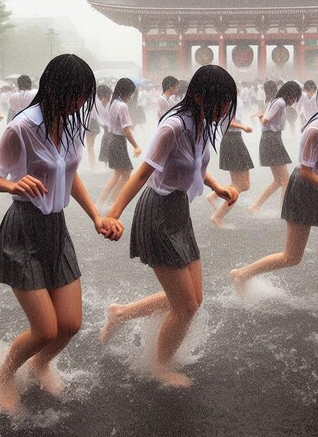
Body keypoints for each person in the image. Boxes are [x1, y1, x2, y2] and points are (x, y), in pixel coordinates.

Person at [0, 55, 120, 414]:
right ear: (54, 89)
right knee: (44, 329)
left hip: (56, 228)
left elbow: (70, 176)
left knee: (70, 325)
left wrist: (96, 216)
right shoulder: (23, 126)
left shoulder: (72, 124)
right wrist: (13, 183)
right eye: (74, 95)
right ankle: (4, 374)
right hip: (23, 228)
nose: (78, 104)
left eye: (83, 97)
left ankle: (40, 364)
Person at [100, 65, 239, 388]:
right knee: (186, 306)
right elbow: (142, 172)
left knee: (193, 298)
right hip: (159, 213)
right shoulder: (173, 127)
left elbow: (194, 166)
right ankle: (159, 366)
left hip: (179, 213)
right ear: (200, 97)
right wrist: (114, 214)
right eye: (220, 103)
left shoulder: (201, 124)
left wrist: (218, 188)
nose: (223, 110)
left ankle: (120, 313)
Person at [231, 74, 318, 308]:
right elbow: (305, 172)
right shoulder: (317, 127)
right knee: (292, 257)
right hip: (303, 188)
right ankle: (241, 274)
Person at [248, 81, 302, 214]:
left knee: (278, 180)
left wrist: (262, 116)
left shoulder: (277, 102)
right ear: (291, 94)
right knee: (285, 179)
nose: (294, 102)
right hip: (272, 139)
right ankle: (283, 211)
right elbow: (266, 121)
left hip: (270, 139)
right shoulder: (280, 103)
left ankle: (256, 206)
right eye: (295, 98)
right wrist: (260, 116)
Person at [206, 86, 254, 228]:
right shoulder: (229, 102)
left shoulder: (231, 101)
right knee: (241, 184)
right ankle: (217, 216)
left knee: (242, 184)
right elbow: (229, 122)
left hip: (233, 140)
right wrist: (243, 127)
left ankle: (215, 195)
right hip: (233, 140)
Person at [97, 78, 141, 207]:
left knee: (119, 174)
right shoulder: (122, 106)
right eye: (131, 93)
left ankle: (103, 203)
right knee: (124, 175)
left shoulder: (114, 102)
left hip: (112, 139)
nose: (131, 96)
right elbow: (126, 130)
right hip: (118, 141)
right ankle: (109, 203)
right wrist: (136, 146)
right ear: (126, 92)